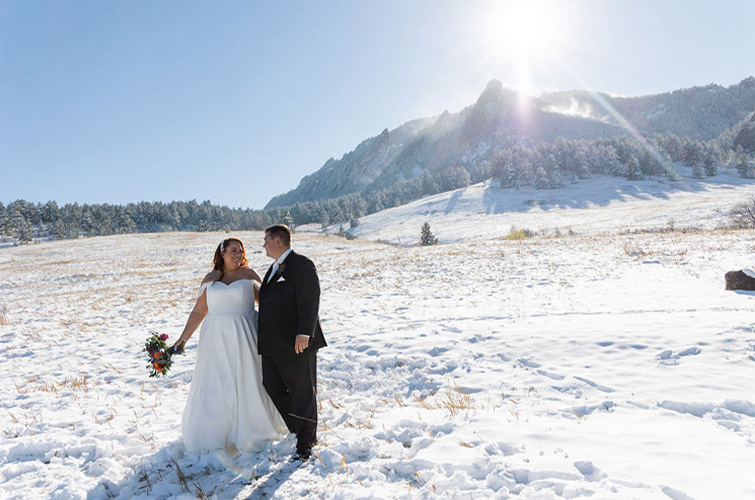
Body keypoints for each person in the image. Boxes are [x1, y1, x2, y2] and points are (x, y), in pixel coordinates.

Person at [172, 238, 285, 453]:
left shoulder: (249, 275)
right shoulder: (210, 279)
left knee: (248, 377)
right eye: (233, 250)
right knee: (217, 381)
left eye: (240, 250)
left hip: (245, 334)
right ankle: (216, 432)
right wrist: (183, 338)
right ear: (222, 253)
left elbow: (267, 305)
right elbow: (198, 312)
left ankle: (254, 428)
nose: (237, 254)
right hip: (215, 338)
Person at [258, 225, 327, 460]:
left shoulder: (301, 264)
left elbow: (310, 298)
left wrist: (304, 332)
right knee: (272, 386)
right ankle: (298, 427)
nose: (263, 244)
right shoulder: (273, 268)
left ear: (278, 241)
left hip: (297, 342)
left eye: (266, 240)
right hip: (273, 345)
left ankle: (306, 442)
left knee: (303, 392)